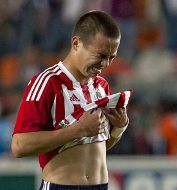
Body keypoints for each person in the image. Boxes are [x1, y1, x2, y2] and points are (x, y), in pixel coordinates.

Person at [11, 11, 129, 190]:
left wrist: (119, 128)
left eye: (111, 57)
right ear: (76, 43)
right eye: (101, 56)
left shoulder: (101, 86)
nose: (105, 64)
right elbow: (19, 145)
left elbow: (95, 149)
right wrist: (78, 130)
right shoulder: (46, 83)